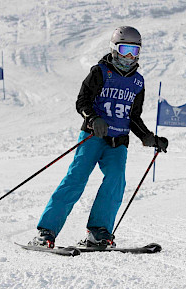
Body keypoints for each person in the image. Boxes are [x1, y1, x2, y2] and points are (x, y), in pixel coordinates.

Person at [32, 26, 168, 249]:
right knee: (75, 180)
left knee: (116, 182)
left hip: (119, 142)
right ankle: (46, 232)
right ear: (114, 48)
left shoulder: (138, 82)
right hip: (93, 136)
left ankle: (98, 232)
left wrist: (149, 137)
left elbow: (133, 117)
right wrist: (94, 119)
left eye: (134, 51)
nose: (129, 57)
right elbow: (82, 102)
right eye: (125, 50)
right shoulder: (100, 71)